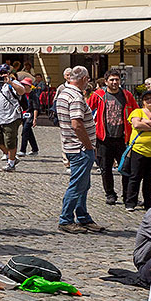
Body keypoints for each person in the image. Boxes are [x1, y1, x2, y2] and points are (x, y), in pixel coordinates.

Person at [55, 66, 105, 233]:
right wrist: (89, 145)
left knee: (83, 184)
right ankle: (66, 218)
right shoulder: (75, 97)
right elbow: (76, 124)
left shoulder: (63, 93)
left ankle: (83, 216)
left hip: (72, 145)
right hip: (80, 147)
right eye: (88, 78)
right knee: (77, 184)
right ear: (83, 78)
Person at [122, 88, 151, 210]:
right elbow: (137, 125)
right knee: (135, 177)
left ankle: (149, 203)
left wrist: (147, 123)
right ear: (143, 102)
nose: (149, 100)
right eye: (146, 99)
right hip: (139, 149)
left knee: (149, 179)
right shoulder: (137, 112)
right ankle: (130, 202)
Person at [0, 65, 27, 171]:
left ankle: (11, 164)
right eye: (1, 73)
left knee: (10, 141)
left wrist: (10, 82)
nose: (2, 75)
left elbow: (22, 91)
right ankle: (12, 157)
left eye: (5, 73)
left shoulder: (14, 84)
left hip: (12, 117)